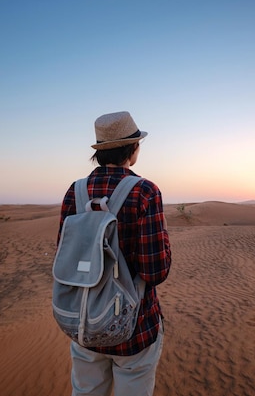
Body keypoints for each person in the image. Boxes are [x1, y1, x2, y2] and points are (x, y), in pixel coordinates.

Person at [57, 111, 172, 396]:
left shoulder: (76, 191)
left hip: (84, 322)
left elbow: (66, 256)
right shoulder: (145, 191)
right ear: (133, 149)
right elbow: (155, 271)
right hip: (135, 328)